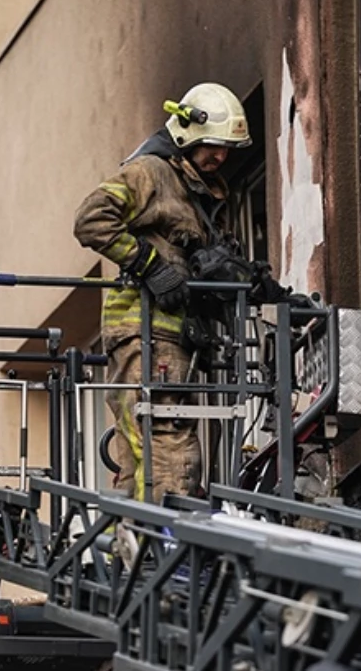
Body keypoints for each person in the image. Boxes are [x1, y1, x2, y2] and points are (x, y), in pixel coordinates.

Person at [73, 82, 286, 503]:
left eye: (228, 149)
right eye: (214, 146)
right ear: (189, 132)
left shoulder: (201, 194)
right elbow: (91, 219)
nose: (221, 157)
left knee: (152, 446)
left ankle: (138, 546)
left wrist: (273, 293)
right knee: (165, 440)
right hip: (145, 330)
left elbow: (216, 263)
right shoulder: (150, 172)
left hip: (178, 336)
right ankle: (168, 548)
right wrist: (150, 267)